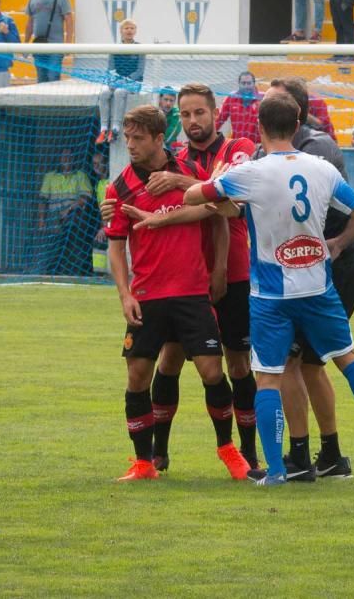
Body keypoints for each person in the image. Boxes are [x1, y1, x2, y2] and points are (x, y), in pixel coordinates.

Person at [184, 92, 354, 485]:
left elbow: (195, 195)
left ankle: (276, 471)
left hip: (272, 296)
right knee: (348, 358)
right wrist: (338, 244)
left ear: (259, 128)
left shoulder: (251, 172)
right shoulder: (322, 168)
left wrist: (218, 178)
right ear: (297, 126)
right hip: (318, 287)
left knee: (269, 377)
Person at [113, 83, 259, 473]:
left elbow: (225, 206)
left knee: (237, 364)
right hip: (176, 282)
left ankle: (245, 452)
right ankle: (155, 454)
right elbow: (125, 216)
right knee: (169, 361)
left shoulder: (233, 151)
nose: (194, 120)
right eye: (187, 114)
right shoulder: (171, 159)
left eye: (200, 112)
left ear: (215, 113)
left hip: (229, 275)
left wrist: (220, 270)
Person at [262, 77, 354, 480]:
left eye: (270, 102)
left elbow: (334, 214)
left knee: (296, 362)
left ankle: (302, 457)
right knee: (309, 365)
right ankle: (329, 455)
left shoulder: (315, 150)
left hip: (327, 270)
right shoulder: (284, 150)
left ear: (292, 112)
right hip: (311, 269)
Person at [38, 148, 93, 276]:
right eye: (64, 157)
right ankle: (52, 271)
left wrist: (68, 210)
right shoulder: (50, 176)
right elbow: (42, 199)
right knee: (54, 243)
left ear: (73, 159)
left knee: (74, 241)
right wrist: (41, 220)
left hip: (73, 214)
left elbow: (85, 198)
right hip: (54, 215)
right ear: (59, 159)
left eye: (69, 156)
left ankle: (75, 271)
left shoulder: (80, 175)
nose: (66, 159)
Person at [96, 19, 144, 145]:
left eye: (132, 28)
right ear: (121, 31)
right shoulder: (115, 48)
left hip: (132, 83)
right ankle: (104, 128)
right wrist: (114, 80)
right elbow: (111, 69)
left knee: (119, 92)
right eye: (126, 28)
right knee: (104, 92)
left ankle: (116, 128)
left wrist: (126, 80)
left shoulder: (140, 48)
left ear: (135, 31)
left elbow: (139, 71)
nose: (129, 30)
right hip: (117, 81)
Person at [25, 0, 73, 83]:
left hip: (56, 46)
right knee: (41, 78)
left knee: (53, 77)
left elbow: (69, 20)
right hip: (38, 46)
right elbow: (30, 22)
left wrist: (68, 43)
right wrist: (26, 44)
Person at [216, 71, 261, 144]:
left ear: (254, 84)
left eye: (249, 83)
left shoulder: (261, 99)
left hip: (256, 145)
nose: (246, 86)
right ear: (239, 84)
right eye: (243, 83)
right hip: (237, 144)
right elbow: (220, 119)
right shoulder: (231, 98)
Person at [91, 152, 110, 274]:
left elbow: (113, 209)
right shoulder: (99, 184)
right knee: (98, 242)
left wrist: (105, 228)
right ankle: (99, 275)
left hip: (114, 224)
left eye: (99, 163)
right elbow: (101, 211)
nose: (96, 167)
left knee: (100, 242)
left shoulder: (110, 183)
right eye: (94, 164)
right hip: (105, 224)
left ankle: (102, 275)